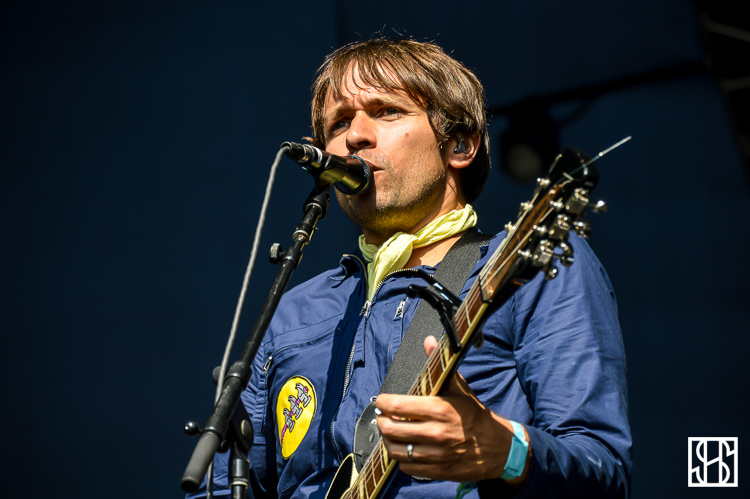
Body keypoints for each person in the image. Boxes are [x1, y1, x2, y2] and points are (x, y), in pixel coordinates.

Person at [189, 38, 631, 498]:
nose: (356, 135)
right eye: (339, 121)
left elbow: (603, 470)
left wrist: (506, 452)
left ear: (460, 144)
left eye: (387, 112)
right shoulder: (290, 316)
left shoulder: (526, 268)